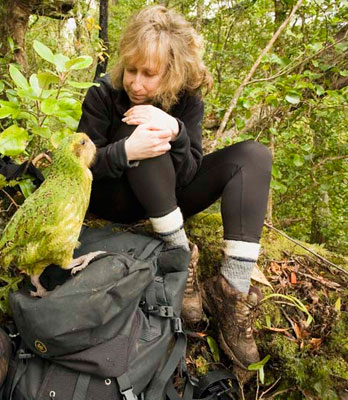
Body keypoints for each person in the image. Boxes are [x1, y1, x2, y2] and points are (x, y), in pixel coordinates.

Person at [76, 5, 272, 369]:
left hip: (167, 195)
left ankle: (232, 288)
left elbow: (189, 173)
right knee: (142, 132)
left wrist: (176, 131)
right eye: (131, 70)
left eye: (149, 74)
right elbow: (80, 168)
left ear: (171, 72)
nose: (136, 83)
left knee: (255, 156)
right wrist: (125, 151)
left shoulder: (187, 100)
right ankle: (178, 254)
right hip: (116, 197)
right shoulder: (103, 94)